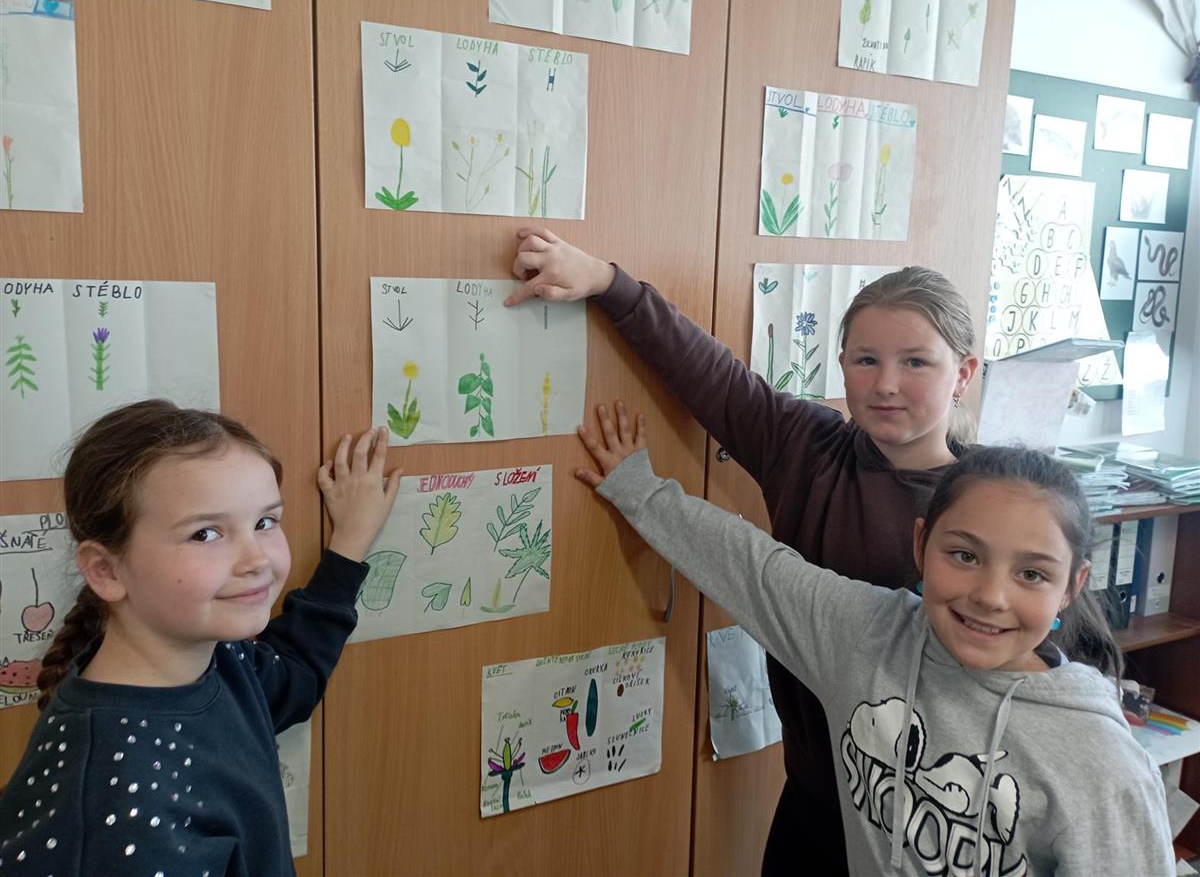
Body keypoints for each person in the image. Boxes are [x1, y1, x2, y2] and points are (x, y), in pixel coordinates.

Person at [508, 228, 979, 873]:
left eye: (916, 362)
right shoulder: (809, 446)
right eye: (866, 359)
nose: (886, 384)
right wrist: (607, 283)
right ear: (841, 362)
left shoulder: (986, 506)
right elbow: (713, 375)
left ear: (963, 374)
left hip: (925, 826)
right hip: (812, 796)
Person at [576, 403, 1174, 877]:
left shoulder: (1103, 769)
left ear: (1072, 587)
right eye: (964, 555)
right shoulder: (868, 635)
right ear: (920, 546)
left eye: (1032, 574)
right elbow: (754, 567)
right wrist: (638, 489)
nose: (991, 596)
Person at [0, 400, 400, 876]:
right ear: (106, 570)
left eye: (265, 522)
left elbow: (292, 673)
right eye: (206, 534)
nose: (256, 559)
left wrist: (349, 542)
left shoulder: (216, 655)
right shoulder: (117, 810)